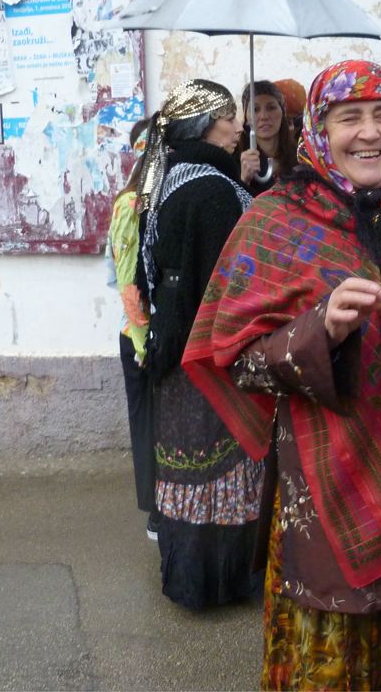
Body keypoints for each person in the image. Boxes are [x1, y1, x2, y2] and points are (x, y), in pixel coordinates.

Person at [183, 61, 381, 690]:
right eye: (349, 118)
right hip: (333, 489)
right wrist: (318, 331)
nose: (369, 133)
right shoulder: (278, 219)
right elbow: (235, 357)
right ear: (318, 131)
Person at [135, 79, 264, 610]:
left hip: (174, 348)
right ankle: (220, 584)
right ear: (208, 125)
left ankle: (189, 579)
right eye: (231, 116)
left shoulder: (174, 178)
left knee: (188, 468)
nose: (240, 126)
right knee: (220, 465)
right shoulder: (213, 192)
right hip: (211, 355)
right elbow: (228, 282)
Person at [106, 117, 158, 539]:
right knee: (148, 425)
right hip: (141, 340)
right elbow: (126, 281)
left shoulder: (157, 199)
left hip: (151, 335)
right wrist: (144, 338)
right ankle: (156, 513)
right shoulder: (131, 206)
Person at [236, 80, 297, 196]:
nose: (263, 116)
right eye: (255, 110)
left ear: (282, 112)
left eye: (271, 107)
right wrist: (244, 180)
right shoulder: (235, 159)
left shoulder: (300, 156)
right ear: (246, 117)